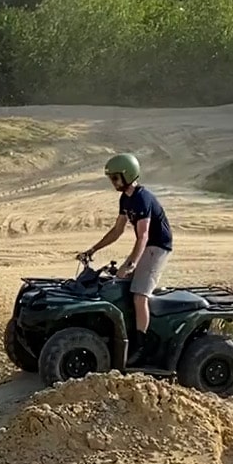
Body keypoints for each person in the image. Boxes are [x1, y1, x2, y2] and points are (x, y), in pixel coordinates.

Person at [76, 152, 173, 362]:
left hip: (158, 246)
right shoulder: (126, 199)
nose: (112, 182)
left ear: (127, 175)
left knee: (139, 295)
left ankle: (141, 346)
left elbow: (144, 236)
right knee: (119, 284)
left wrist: (131, 264)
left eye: (115, 178)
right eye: (111, 178)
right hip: (146, 244)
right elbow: (117, 231)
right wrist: (93, 250)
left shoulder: (142, 198)